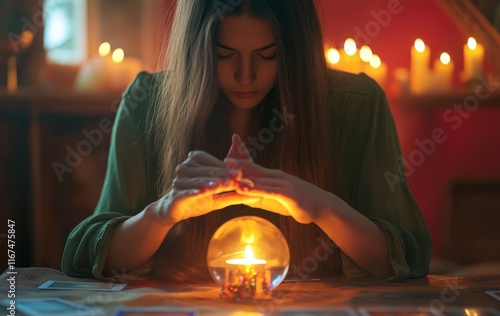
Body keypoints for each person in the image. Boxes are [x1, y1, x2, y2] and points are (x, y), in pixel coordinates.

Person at [62, 0, 432, 282]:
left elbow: (405, 260)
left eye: (267, 55)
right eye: (224, 55)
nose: (245, 76)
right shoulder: (146, 102)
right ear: (197, 50)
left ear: (296, 52)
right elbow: (91, 256)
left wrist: (321, 207)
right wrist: (164, 213)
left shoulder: (356, 105)